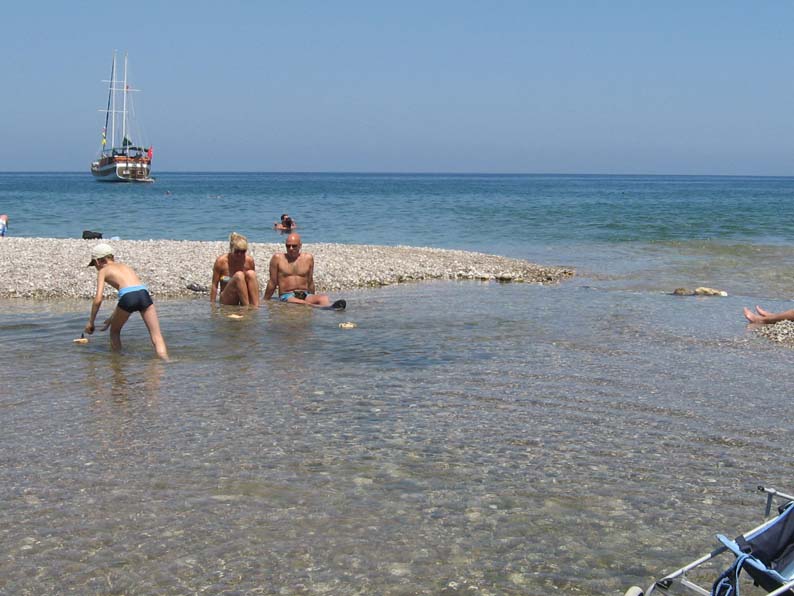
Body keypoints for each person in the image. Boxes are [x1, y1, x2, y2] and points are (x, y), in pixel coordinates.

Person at [84, 243, 169, 360]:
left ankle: (117, 362)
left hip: (128, 298)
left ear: (97, 261)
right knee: (157, 336)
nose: (96, 267)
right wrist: (112, 318)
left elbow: (98, 299)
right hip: (144, 294)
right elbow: (131, 291)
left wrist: (91, 322)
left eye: (94, 265)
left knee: (114, 332)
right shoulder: (125, 266)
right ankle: (166, 361)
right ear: (112, 257)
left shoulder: (103, 271)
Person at [264, 233, 345, 309]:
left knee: (323, 298)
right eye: (288, 246)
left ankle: (329, 307)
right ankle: (324, 309)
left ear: (300, 246)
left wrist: (313, 296)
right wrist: (265, 300)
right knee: (303, 303)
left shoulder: (308, 258)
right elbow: (272, 282)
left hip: (305, 294)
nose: (291, 248)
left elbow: (310, 281)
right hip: (287, 296)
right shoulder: (277, 258)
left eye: (294, 246)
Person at [211, 232, 260, 306]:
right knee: (239, 275)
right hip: (227, 298)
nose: (240, 254)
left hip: (244, 296)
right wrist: (212, 306)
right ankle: (247, 308)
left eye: (243, 251)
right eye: (237, 251)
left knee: (251, 273)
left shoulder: (249, 261)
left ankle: (256, 307)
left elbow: (252, 283)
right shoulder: (221, 262)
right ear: (231, 249)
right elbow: (214, 285)